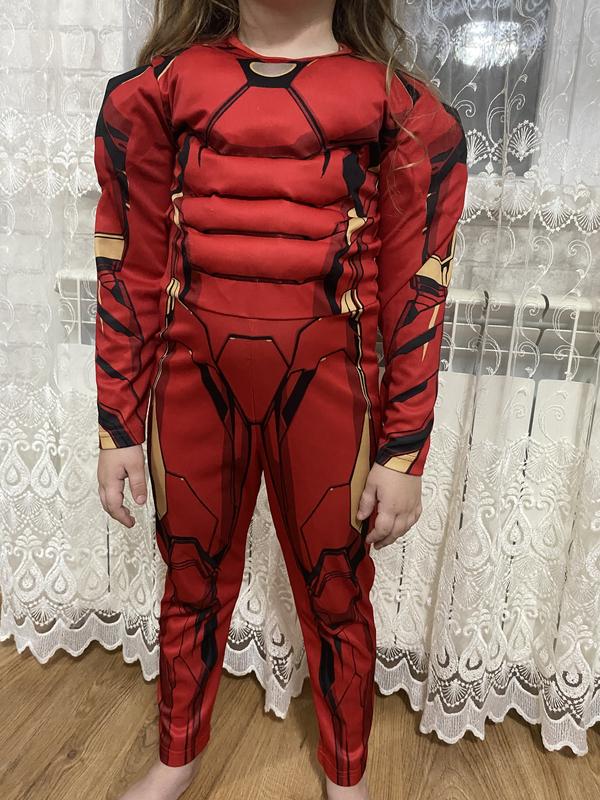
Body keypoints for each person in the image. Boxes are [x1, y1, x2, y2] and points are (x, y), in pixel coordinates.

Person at [93, 1, 468, 798]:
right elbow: (129, 268)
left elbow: (416, 294)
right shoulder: (157, 92)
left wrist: (403, 452)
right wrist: (117, 426)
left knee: (337, 587)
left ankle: (346, 773)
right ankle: (176, 757)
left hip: (329, 391)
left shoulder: (402, 109)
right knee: (189, 577)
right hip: (193, 387)